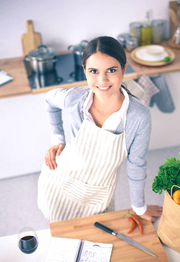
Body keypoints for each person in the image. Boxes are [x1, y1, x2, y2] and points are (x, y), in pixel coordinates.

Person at [38, 36, 162, 222]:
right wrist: (57, 138)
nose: (102, 80)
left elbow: (136, 164)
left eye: (111, 70)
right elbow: (49, 99)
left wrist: (139, 207)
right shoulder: (74, 100)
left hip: (99, 197)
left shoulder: (138, 116)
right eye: (94, 71)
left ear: (124, 69)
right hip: (59, 187)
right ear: (85, 72)